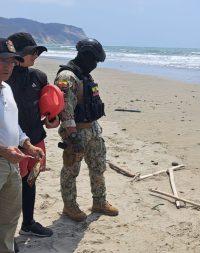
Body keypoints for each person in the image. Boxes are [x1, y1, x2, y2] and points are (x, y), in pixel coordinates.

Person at [55, 38, 118, 222]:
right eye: (95, 61)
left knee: (98, 167)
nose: (95, 65)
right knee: (70, 170)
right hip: (76, 132)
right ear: (85, 56)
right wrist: (73, 137)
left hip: (93, 129)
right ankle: (70, 206)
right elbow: (65, 110)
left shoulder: (84, 74)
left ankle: (99, 201)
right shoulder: (67, 77)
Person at [7, 32, 59, 238]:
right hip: (13, 143)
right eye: (31, 52)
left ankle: (28, 223)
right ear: (17, 53)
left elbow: (46, 109)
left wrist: (52, 120)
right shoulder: (5, 77)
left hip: (36, 138)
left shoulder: (39, 76)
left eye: (37, 51)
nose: (35, 55)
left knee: (31, 181)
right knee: (11, 189)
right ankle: (8, 233)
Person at [0, 38, 45, 253]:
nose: (7, 66)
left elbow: (13, 126)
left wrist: (26, 144)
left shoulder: (6, 88)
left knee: (9, 218)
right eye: (2, 60)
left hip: (12, 162)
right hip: (4, 158)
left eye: (11, 61)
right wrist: (3, 151)